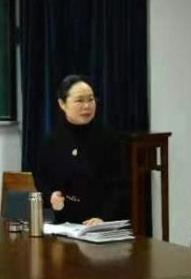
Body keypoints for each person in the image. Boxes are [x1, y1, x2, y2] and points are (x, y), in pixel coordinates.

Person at [34, 75, 126, 226]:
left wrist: (104, 218)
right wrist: (51, 197)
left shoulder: (109, 139)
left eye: (91, 99)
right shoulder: (52, 141)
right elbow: (42, 181)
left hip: (100, 225)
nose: (87, 106)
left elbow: (118, 187)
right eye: (79, 100)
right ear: (62, 104)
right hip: (65, 224)